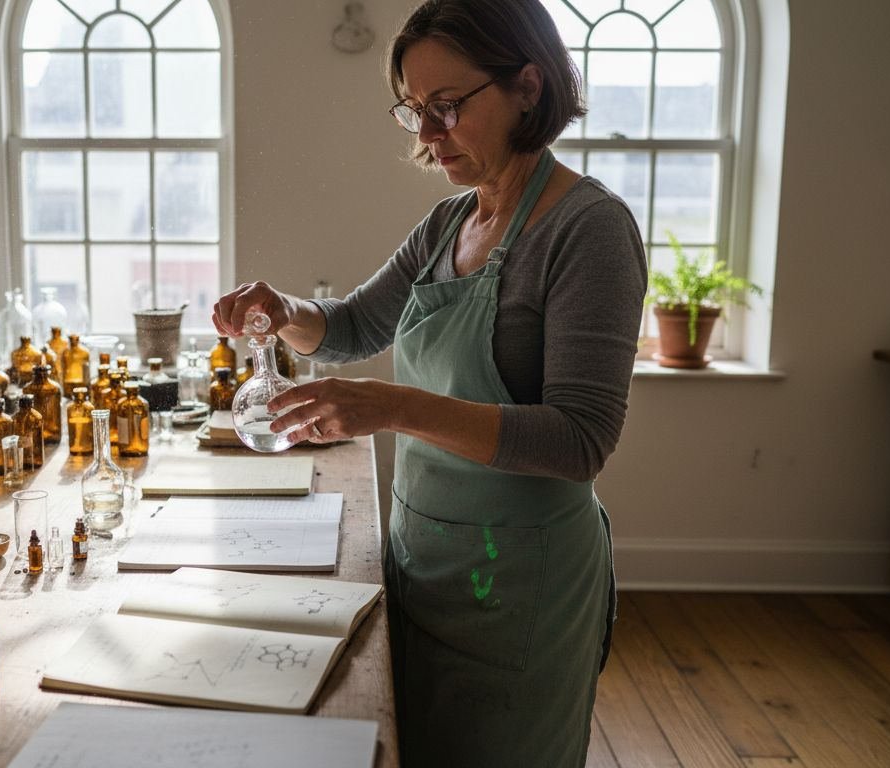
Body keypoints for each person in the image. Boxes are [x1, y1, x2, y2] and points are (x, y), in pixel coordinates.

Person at [211, 0, 646, 764]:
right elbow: (349, 328)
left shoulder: (589, 229)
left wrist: (393, 408)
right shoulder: (449, 222)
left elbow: (580, 441)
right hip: (426, 557)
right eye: (414, 111)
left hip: (519, 583)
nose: (427, 133)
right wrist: (285, 310)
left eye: (446, 106)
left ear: (528, 87)